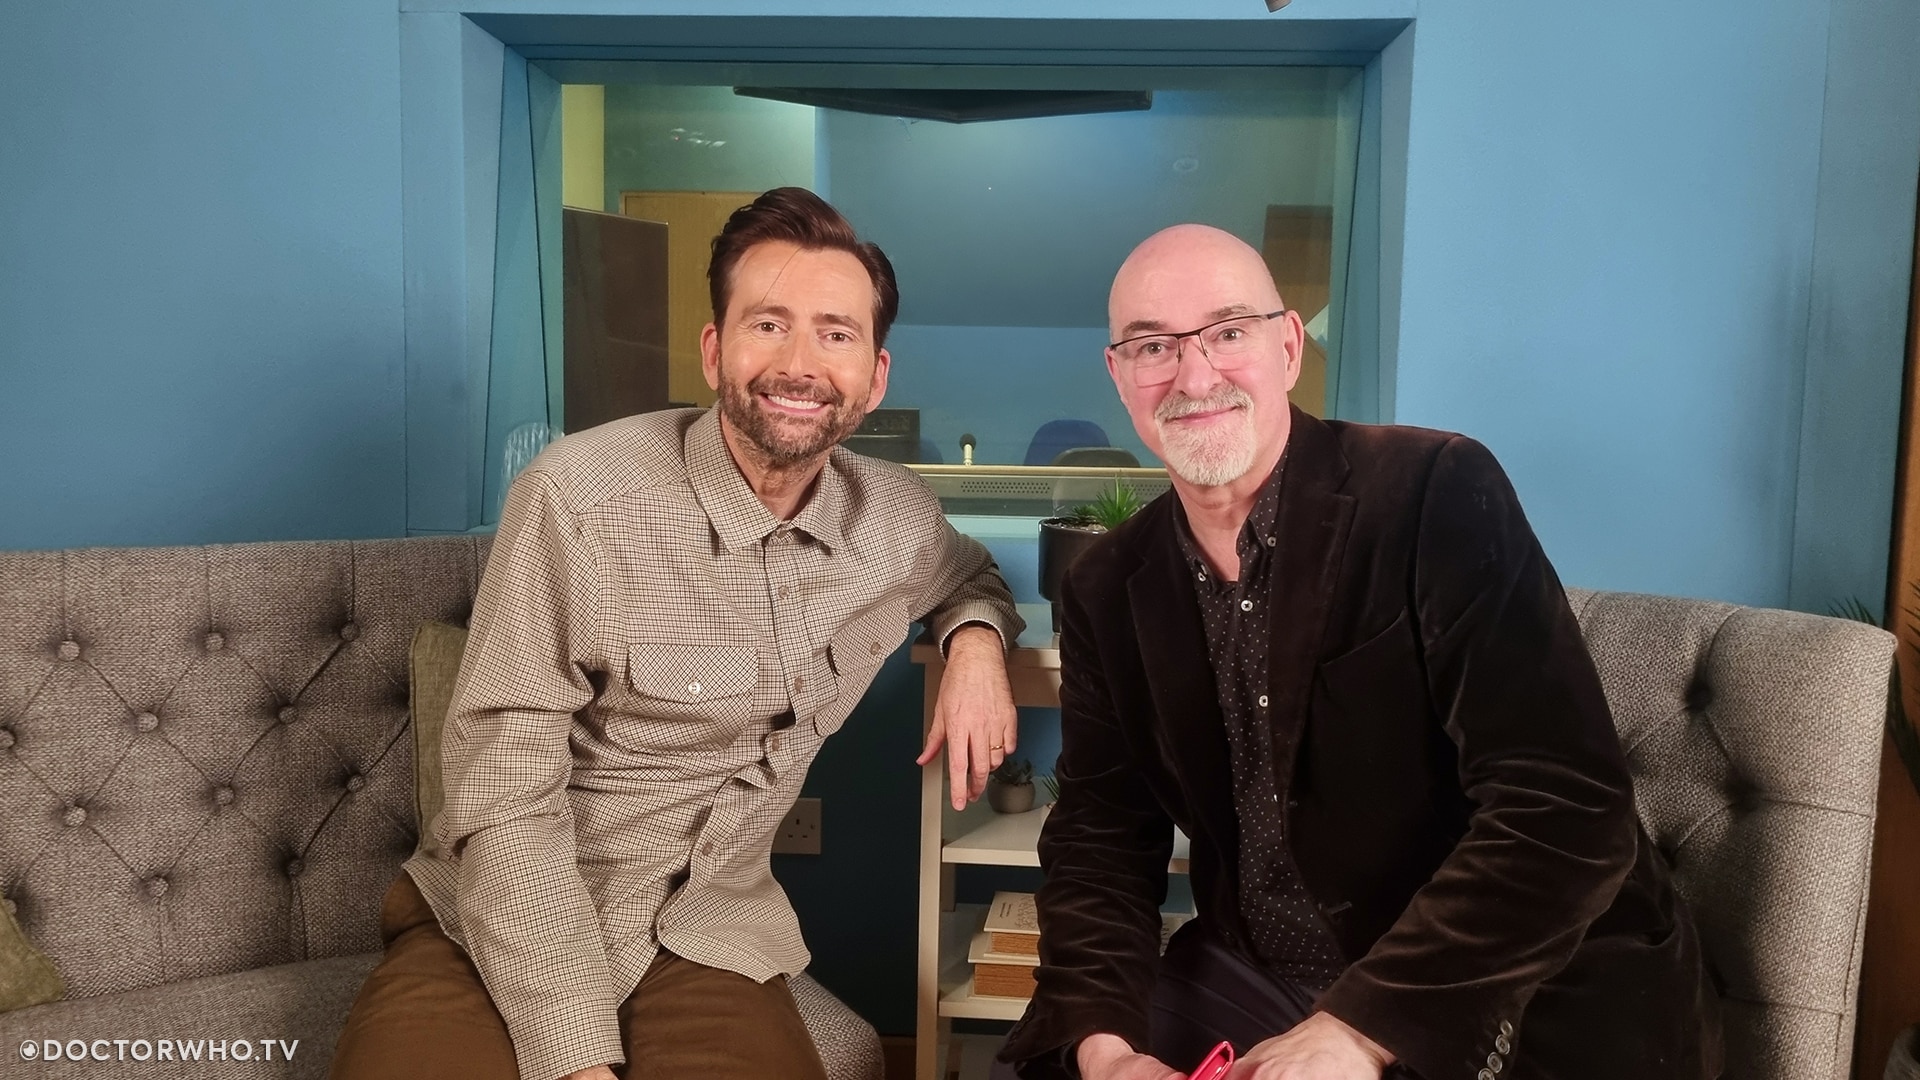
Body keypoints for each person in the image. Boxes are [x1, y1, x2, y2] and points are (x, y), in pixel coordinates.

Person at [996, 225, 1722, 1080]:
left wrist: (1358, 1030)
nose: (1194, 376)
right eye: (1154, 346)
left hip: (1506, 984)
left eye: (1229, 331)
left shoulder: (1434, 488)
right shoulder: (1106, 586)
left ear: (1288, 347)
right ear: (1119, 375)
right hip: (1263, 973)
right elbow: (1101, 840)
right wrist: (1108, 1053)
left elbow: (1566, 805)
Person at [332, 187, 1024, 1080]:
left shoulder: (894, 520)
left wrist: (976, 645)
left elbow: (971, 579)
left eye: (836, 334)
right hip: (501, 914)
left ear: (875, 375)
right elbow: (504, 792)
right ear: (714, 349)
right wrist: (574, 1056)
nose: (801, 364)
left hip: (710, 928)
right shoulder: (576, 499)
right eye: (768, 325)